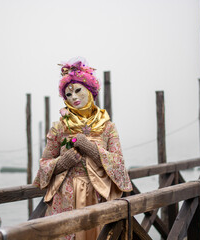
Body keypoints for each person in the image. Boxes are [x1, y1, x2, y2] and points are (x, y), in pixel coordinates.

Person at [33, 57, 132, 240]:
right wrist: (63, 162)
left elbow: (119, 165)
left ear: (90, 91)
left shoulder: (107, 127)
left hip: (99, 196)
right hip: (65, 198)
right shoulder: (59, 127)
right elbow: (43, 166)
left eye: (78, 91)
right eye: (68, 95)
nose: (74, 98)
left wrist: (90, 148)